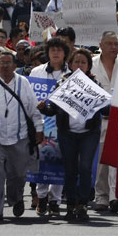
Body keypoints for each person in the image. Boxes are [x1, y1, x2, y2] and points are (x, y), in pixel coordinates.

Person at [40, 49, 106, 221]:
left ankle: (82, 204)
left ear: (88, 66)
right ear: (70, 65)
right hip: (67, 134)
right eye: (76, 62)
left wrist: (116, 99)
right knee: (70, 170)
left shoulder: (95, 84)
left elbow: (106, 110)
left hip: (89, 134)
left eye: (83, 62)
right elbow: (51, 110)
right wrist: (42, 108)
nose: (79, 65)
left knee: (85, 168)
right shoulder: (62, 83)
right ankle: (70, 204)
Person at [0, 51, 43, 220]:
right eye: (1, 63)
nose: (4, 66)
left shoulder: (23, 83)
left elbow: (33, 108)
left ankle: (16, 198)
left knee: (18, 174)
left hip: (20, 137)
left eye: (8, 63)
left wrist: (39, 128)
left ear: (14, 66)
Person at [31, 37, 70, 217]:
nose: (55, 53)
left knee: (59, 162)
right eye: (52, 49)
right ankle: (41, 197)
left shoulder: (71, 74)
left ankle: (55, 200)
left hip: (62, 124)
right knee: (41, 162)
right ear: (47, 52)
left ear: (65, 54)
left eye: (59, 50)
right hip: (41, 123)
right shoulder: (36, 72)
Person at [92, 32, 118, 212]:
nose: (113, 47)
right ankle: (101, 196)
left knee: (116, 159)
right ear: (101, 44)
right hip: (99, 118)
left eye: (115, 43)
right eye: (109, 43)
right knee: (102, 160)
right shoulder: (92, 63)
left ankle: (115, 196)